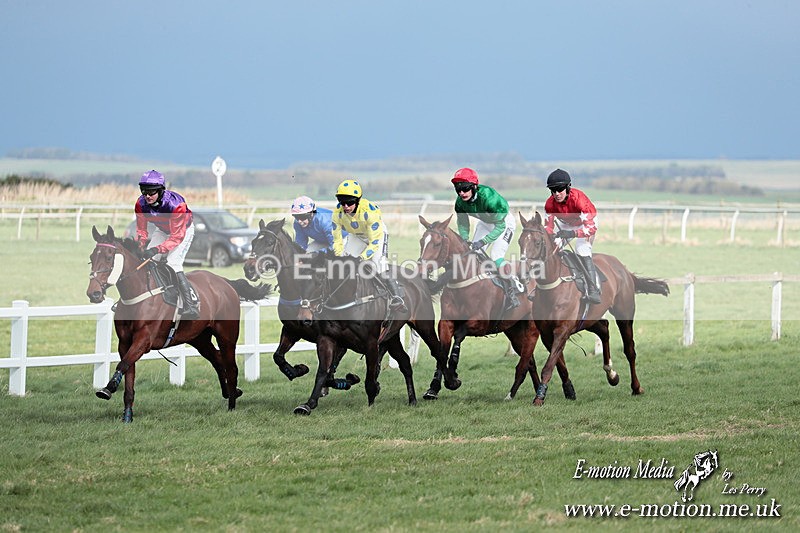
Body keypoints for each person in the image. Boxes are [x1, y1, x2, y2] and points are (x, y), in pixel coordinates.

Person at [452, 167, 524, 310]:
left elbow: (499, 227)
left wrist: (483, 241)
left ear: (474, 186)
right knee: (473, 255)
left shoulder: (490, 199)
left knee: (496, 255)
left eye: (465, 188)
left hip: (503, 223)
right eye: (458, 189)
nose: (461, 193)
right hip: (485, 223)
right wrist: (465, 238)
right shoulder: (460, 202)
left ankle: (513, 287)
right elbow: (462, 222)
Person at [331, 179, 407, 313]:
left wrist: (361, 257)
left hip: (376, 236)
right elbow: (337, 241)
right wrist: (339, 256)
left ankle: (397, 297)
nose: (346, 206)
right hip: (357, 236)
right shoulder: (337, 213)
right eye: (342, 203)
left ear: (358, 201)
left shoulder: (369, 212)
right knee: (344, 261)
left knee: (378, 264)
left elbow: (374, 243)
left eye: (349, 203)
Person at [134, 169, 200, 319]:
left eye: (151, 192)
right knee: (147, 261)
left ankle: (191, 305)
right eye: (144, 191)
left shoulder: (176, 205)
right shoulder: (140, 204)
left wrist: (157, 249)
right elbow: (142, 230)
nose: (147, 196)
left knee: (172, 263)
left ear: (160, 190)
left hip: (183, 231)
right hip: (162, 230)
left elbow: (176, 237)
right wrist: (141, 246)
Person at [543, 168, 601, 304]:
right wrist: (552, 238)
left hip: (585, 224)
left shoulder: (580, 201)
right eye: (553, 190)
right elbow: (548, 228)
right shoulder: (549, 204)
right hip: (565, 224)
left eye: (560, 189)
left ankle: (593, 289)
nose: (556, 194)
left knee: (582, 249)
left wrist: (572, 233)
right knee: (552, 248)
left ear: (568, 187)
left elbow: (590, 228)